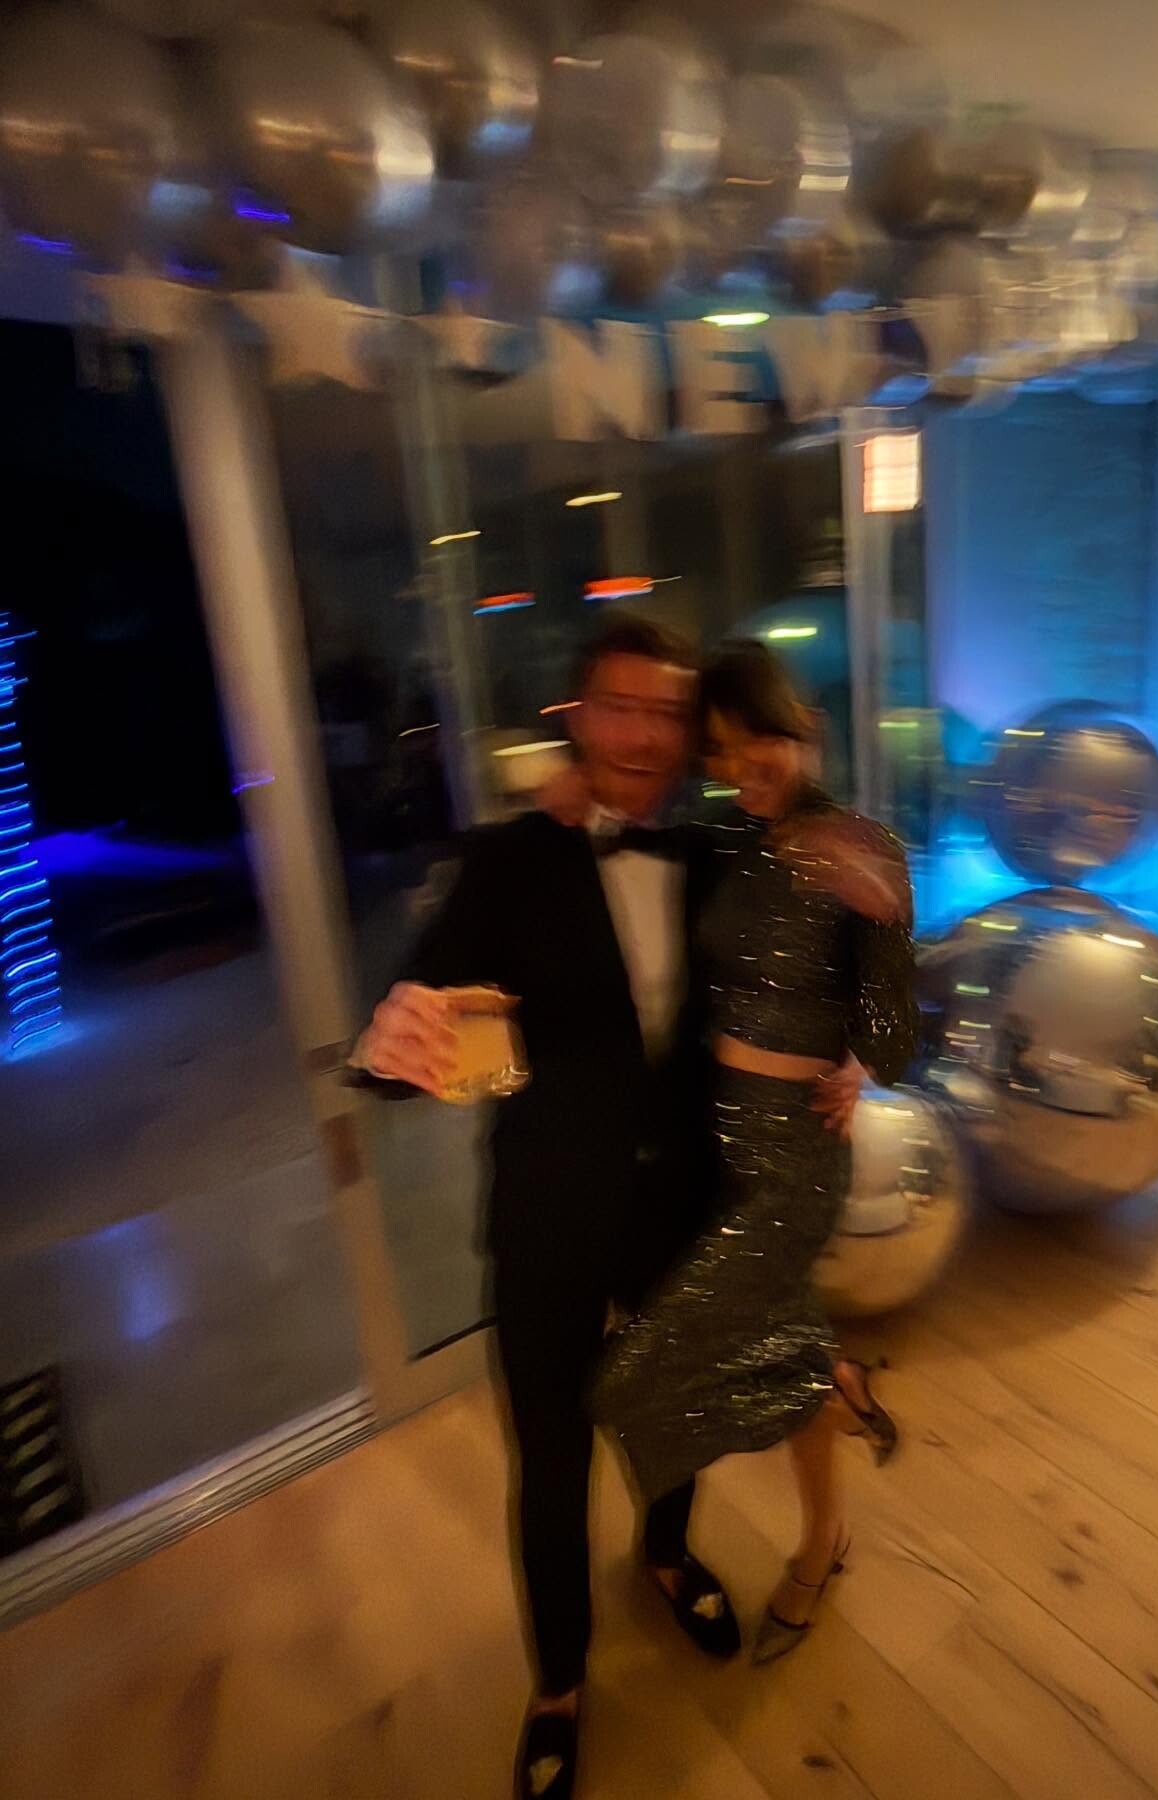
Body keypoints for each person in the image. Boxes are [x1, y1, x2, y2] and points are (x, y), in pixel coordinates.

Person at [350, 617, 740, 1800]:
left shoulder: (714, 855)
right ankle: (560, 1679)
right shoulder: (514, 860)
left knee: (676, 1412)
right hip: (551, 1214)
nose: (644, 736)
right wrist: (391, 1042)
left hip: (678, 1206)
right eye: (619, 708)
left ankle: (666, 1556)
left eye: (666, 713)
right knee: (554, 1454)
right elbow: (421, 1001)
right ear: (577, 718)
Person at [590, 638, 917, 1665]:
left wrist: (860, 1050)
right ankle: (825, 1524)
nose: (742, 768)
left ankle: (826, 1386)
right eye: (721, 752)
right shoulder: (725, 842)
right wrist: (567, 782)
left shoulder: (867, 844)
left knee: (631, 1376)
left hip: (793, 1153)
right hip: (713, 1142)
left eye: (757, 741)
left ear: (802, 726)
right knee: (778, 1346)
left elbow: (898, 1034)